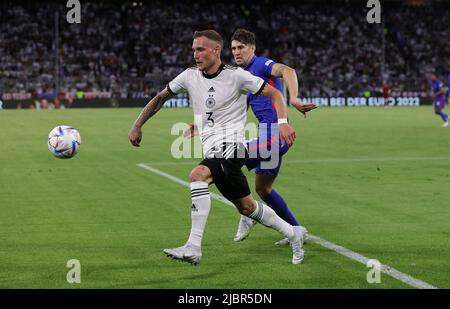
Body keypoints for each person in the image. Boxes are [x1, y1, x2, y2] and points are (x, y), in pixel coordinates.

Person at [129, 30, 305, 265]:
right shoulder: (189, 76)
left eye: (200, 49)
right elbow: (161, 97)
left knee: (198, 175)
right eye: (193, 49)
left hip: (232, 147)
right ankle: (294, 233)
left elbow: (275, 93)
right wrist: (138, 124)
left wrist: (282, 122)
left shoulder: (237, 76)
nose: (195, 54)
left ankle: (193, 246)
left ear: (215, 50)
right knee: (248, 207)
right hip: (214, 150)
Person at [229, 28, 316, 245]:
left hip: (275, 134)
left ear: (252, 48)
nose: (236, 52)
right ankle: (297, 231)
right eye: (233, 48)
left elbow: (288, 70)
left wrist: (294, 99)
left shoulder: (260, 65)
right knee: (263, 189)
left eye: (241, 47)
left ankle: (247, 213)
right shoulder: (242, 77)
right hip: (265, 135)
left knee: (227, 160)